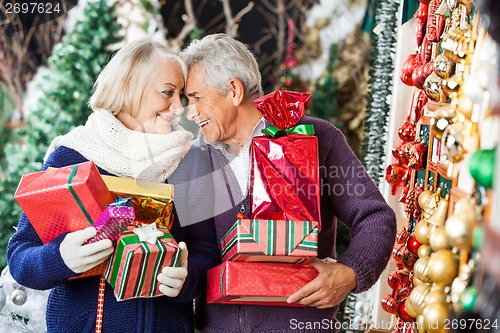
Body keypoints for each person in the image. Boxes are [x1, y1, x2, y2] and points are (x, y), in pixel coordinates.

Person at [179, 33, 397, 333]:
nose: (191, 113)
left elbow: (374, 215)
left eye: (196, 98)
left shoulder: (314, 137)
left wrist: (350, 273)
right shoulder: (195, 162)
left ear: (233, 90)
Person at [7, 38, 219, 333]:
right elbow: (21, 257)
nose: (179, 108)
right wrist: (61, 258)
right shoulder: (72, 156)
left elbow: (206, 248)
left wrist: (188, 277)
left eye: (182, 95)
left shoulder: (190, 161)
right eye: (168, 92)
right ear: (130, 85)